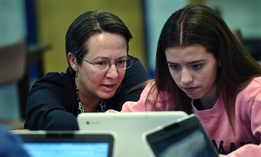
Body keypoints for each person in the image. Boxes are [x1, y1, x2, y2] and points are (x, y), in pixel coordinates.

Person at [107, 4, 261, 156]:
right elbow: (119, 127)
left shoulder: (254, 94)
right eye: (174, 67)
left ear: (220, 57)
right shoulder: (162, 93)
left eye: (196, 66)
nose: (185, 79)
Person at [24, 11, 148, 130]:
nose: (114, 74)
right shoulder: (49, 89)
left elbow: (135, 122)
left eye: (120, 61)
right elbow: (52, 121)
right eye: (101, 63)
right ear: (74, 61)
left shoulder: (130, 70)